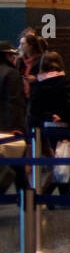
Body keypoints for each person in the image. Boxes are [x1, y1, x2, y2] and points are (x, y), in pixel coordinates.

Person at [28, 51, 70, 201]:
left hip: (46, 128)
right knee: (63, 161)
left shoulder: (39, 84)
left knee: (59, 161)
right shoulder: (64, 82)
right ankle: (49, 194)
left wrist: (48, 117)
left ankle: (63, 195)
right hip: (63, 127)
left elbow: (34, 109)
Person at [0, 41, 27, 195]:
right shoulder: (11, 74)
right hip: (10, 129)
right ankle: (28, 201)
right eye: (11, 54)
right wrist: (19, 127)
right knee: (19, 167)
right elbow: (15, 102)